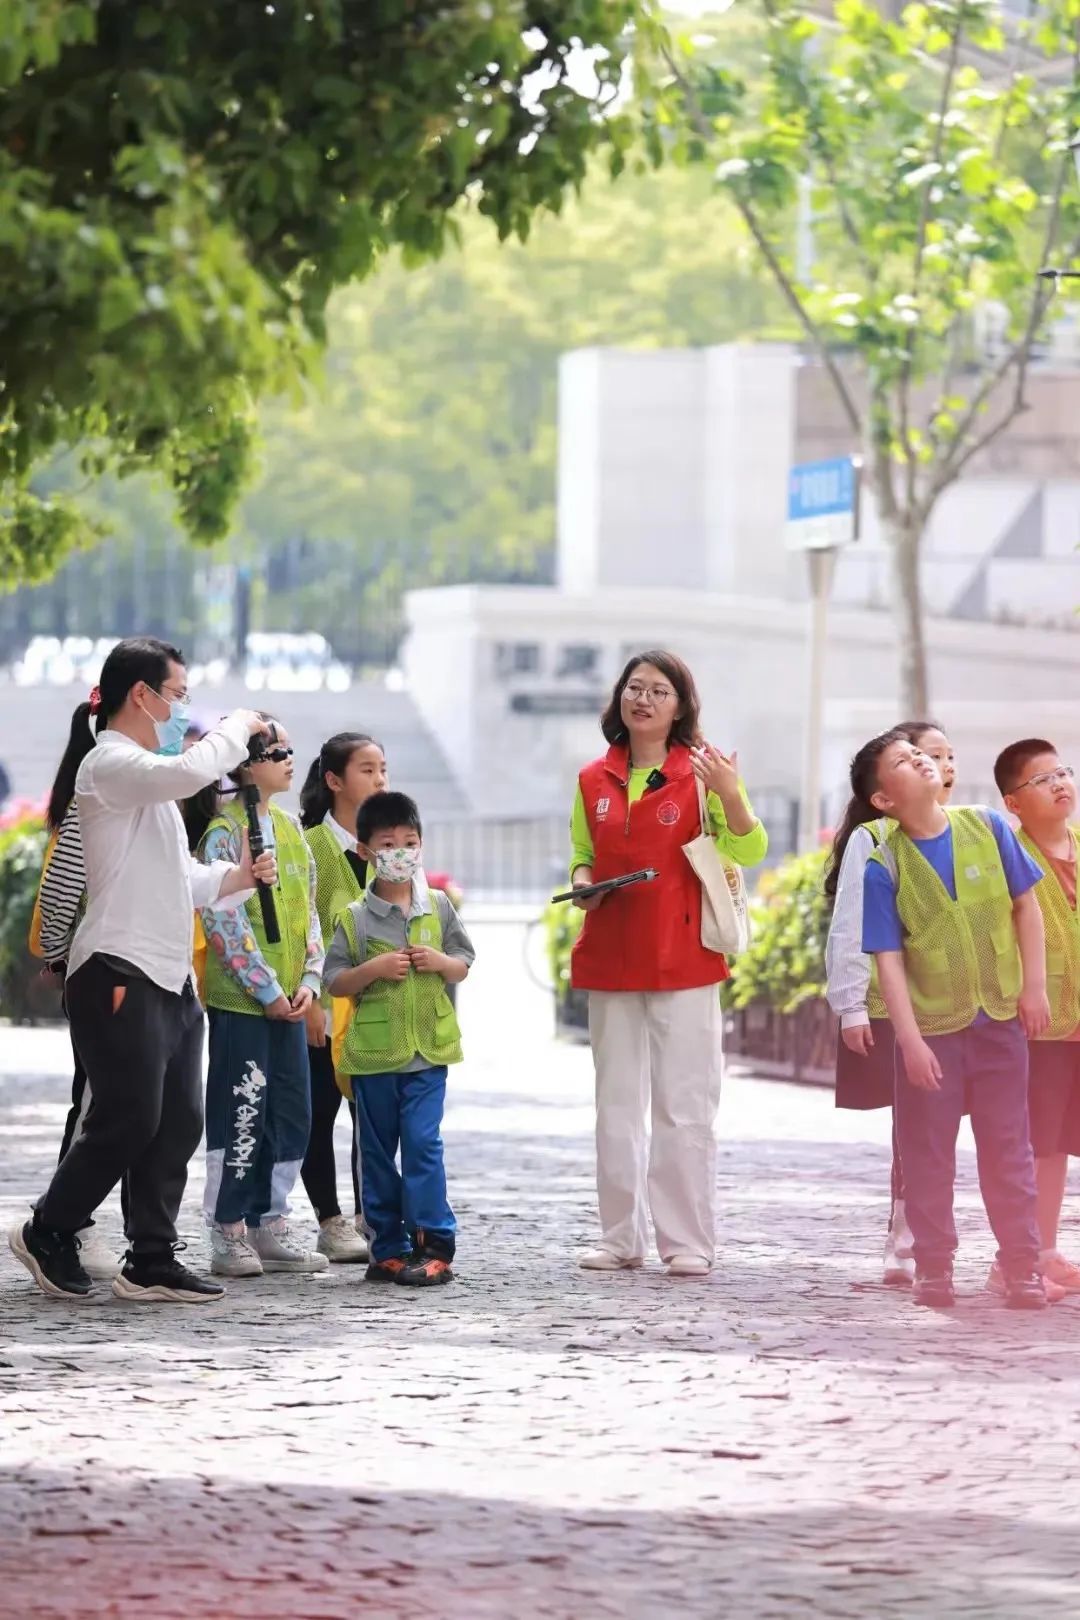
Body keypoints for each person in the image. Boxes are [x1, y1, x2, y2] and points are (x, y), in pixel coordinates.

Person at [8, 637, 274, 1304]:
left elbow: (175, 876)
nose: (181, 708)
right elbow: (188, 773)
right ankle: (49, 1227)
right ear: (141, 695)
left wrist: (235, 878)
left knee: (178, 1120)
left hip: (169, 973)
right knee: (127, 1116)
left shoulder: (146, 780)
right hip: (117, 967)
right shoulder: (112, 763)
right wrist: (239, 725)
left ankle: (151, 1259)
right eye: (178, 695)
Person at [568, 649, 768, 1277]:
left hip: (684, 956)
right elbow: (581, 851)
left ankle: (687, 1241)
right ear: (618, 699)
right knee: (616, 1104)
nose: (643, 699)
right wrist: (582, 882)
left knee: (685, 1105)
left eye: (658, 690)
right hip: (610, 952)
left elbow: (749, 847)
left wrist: (731, 796)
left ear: (680, 706)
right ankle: (619, 1237)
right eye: (634, 687)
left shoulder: (703, 773)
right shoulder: (592, 778)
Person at [860, 729, 1051, 1309]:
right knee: (927, 1154)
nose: (919, 757)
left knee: (1008, 1147)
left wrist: (1035, 987)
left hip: (999, 1023)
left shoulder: (987, 827)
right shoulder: (882, 864)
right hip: (933, 1035)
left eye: (917, 752)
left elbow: (1026, 906)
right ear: (884, 800)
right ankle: (934, 1268)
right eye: (901, 759)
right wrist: (911, 1043)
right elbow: (888, 963)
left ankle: (1022, 1266)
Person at [188, 718, 328, 1279]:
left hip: (291, 1002)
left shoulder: (292, 830)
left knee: (292, 1111)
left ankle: (270, 1221)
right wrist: (266, 988)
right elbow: (223, 922)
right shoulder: (223, 834)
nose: (290, 758)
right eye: (277, 751)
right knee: (241, 1112)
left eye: (292, 748)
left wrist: (309, 982)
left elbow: (309, 912)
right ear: (245, 766)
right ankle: (227, 1229)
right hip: (245, 1003)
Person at [323, 790, 474, 1287]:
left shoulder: (438, 907)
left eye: (409, 842)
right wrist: (372, 969)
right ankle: (387, 1246)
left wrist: (442, 965)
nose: (400, 852)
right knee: (377, 1153)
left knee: (423, 1144)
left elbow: (464, 962)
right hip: (371, 1059)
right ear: (366, 850)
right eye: (388, 843)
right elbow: (335, 980)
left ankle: (435, 1243)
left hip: (428, 1053)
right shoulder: (354, 917)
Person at [825, 720, 956, 1286]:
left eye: (948, 756)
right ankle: (907, 1233)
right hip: (897, 1005)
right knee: (917, 1126)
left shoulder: (974, 830)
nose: (941, 766)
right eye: (926, 756)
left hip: (963, 1007)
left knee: (953, 1128)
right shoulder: (873, 839)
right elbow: (850, 920)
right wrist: (851, 1004)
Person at [298, 732, 388, 1262]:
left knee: (373, 1119)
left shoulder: (390, 847)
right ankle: (328, 1220)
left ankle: (369, 1214)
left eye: (383, 770)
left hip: (378, 1010)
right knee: (317, 1114)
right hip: (323, 1009)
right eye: (367, 770)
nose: (379, 780)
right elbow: (299, 928)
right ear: (334, 780)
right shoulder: (310, 846)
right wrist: (308, 998)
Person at [994, 738, 1080, 1293]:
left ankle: (1043, 1251)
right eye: (1041, 779)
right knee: (1037, 1144)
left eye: (1063, 772)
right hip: (1042, 1026)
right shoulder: (1010, 860)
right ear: (1013, 802)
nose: (1059, 783)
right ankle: (1016, 1258)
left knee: (1062, 1145)